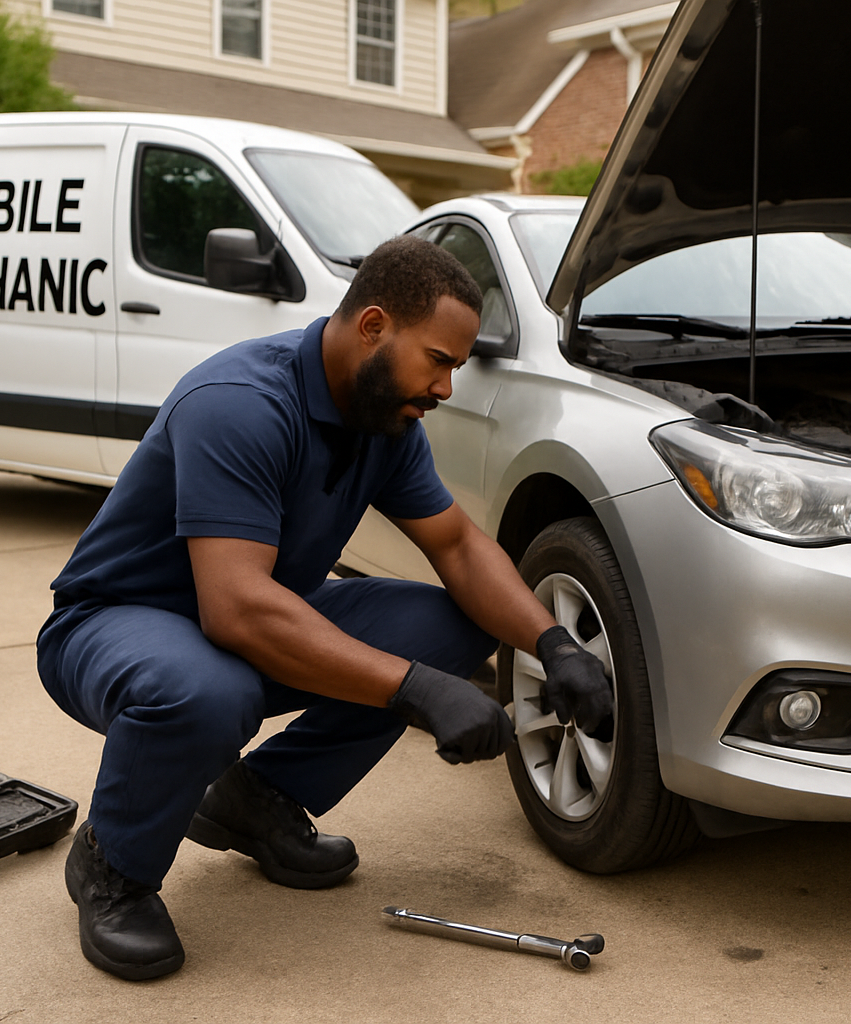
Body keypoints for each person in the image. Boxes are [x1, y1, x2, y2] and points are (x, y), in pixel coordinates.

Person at [36, 236, 615, 980]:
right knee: (212, 690)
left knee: (453, 626)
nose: (445, 388)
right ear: (373, 326)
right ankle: (111, 865)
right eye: (438, 360)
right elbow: (238, 610)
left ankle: (255, 799)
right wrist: (415, 688)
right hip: (113, 624)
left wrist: (551, 641)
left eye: (455, 369)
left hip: (246, 618)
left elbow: (461, 548)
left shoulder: (385, 418)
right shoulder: (242, 405)